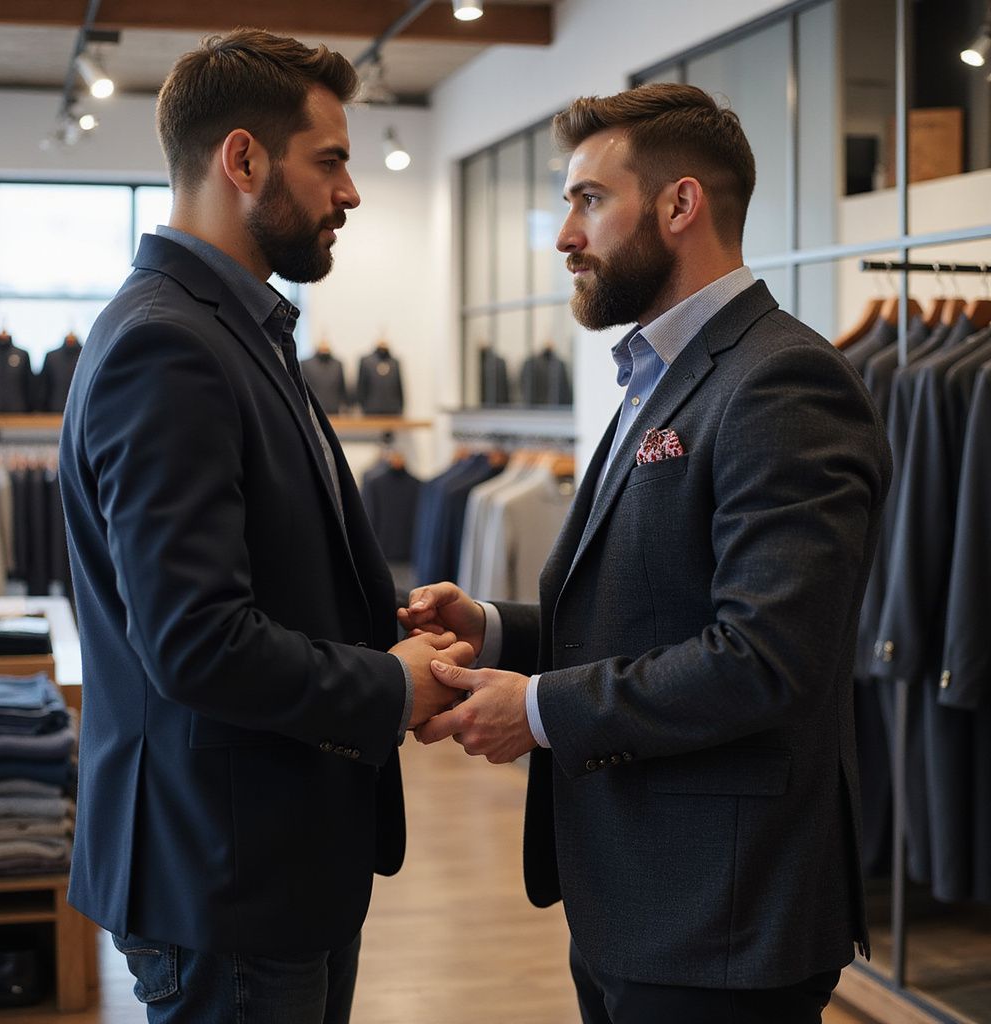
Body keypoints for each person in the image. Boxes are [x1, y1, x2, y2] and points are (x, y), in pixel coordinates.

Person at [402, 83, 892, 1024]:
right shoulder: (663, 374)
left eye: (589, 200)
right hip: (641, 897)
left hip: (723, 916)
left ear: (679, 205)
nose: (565, 235)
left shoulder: (783, 381)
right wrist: (495, 630)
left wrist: (536, 710)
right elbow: (655, 608)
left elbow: (764, 660)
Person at [58, 29, 472, 1024]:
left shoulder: (231, 328)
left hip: (272, 856)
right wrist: (390, 683)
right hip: (226, 868)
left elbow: (274, 566)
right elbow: (195, 640)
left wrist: (390, 626)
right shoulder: (169, 346)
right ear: (242, 160)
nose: (350, 192)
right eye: (329, 161)